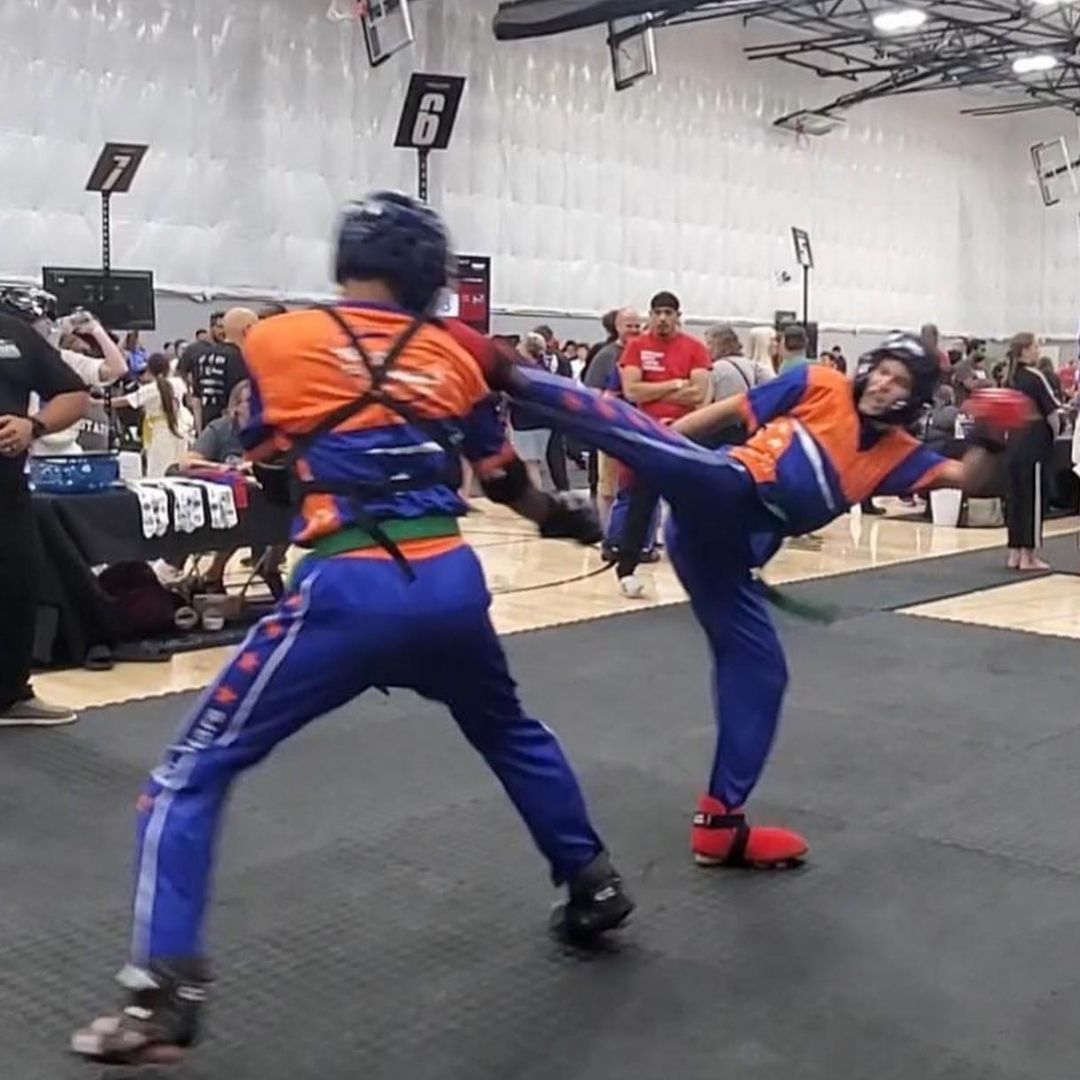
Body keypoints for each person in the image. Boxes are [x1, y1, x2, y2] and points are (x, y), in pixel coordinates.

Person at [70, 192, 632, 1066]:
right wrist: (573, 523)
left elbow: (262, 452)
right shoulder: (459, 354)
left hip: (349, 585)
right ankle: (592, 882)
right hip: (448, 579)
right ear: (431, 275)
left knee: (188, 777)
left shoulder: (277, 338)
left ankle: (161, 997)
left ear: (346, 257)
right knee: (509, 730)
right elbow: (505, 483)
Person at [489, 334, 1017, 870]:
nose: (883, 384)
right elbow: (724, 414)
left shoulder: (896, 458)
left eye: (900, 380)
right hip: (725, 488)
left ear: (916, 396)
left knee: (761, 671)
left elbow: (967, 479)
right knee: (700, 469)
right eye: (882, 370)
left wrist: (994, 434)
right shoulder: (817, 381)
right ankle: (507, 372)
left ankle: (720, 824)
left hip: (727, 553)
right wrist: (660, 442)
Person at [0, 286, 89, 726]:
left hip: (7, 493)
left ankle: (11, 695)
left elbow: (74, 394)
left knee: (16, 586)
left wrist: (32, 425)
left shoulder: (13, 333)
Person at [610, 291, 710, 598]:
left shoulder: (695, 348)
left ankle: (706, 566)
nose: (663, 318)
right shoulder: (637, 346)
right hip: (648, 435)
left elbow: (698, 394)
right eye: (658, 313)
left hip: (685, 434)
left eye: (669, 312)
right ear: (650, 316)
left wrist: (655, 391)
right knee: (641, 501)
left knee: (695, 503)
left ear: (678, 316)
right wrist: (674, 384)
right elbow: (632, 391)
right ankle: (626, 568)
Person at [1004, 332, 1060, 571]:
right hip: (1033, 444)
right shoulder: (1035, 377)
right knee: (1033, 499)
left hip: (1013, 443)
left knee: (1015, 498)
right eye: (1036, 346)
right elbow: (1052, 415)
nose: (1038, 351)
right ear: (1025, 350)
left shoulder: (1008, 378)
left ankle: (1014, 552)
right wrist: (1054, 436)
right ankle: (1029, 555)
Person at [112, 353, 193, 477]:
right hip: (181, 429)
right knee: (179, 468)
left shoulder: (150, 389)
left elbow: (126, 401)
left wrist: (98, 402)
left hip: (160, 433)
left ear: (149, 370)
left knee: (158, 470)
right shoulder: (178, 383)